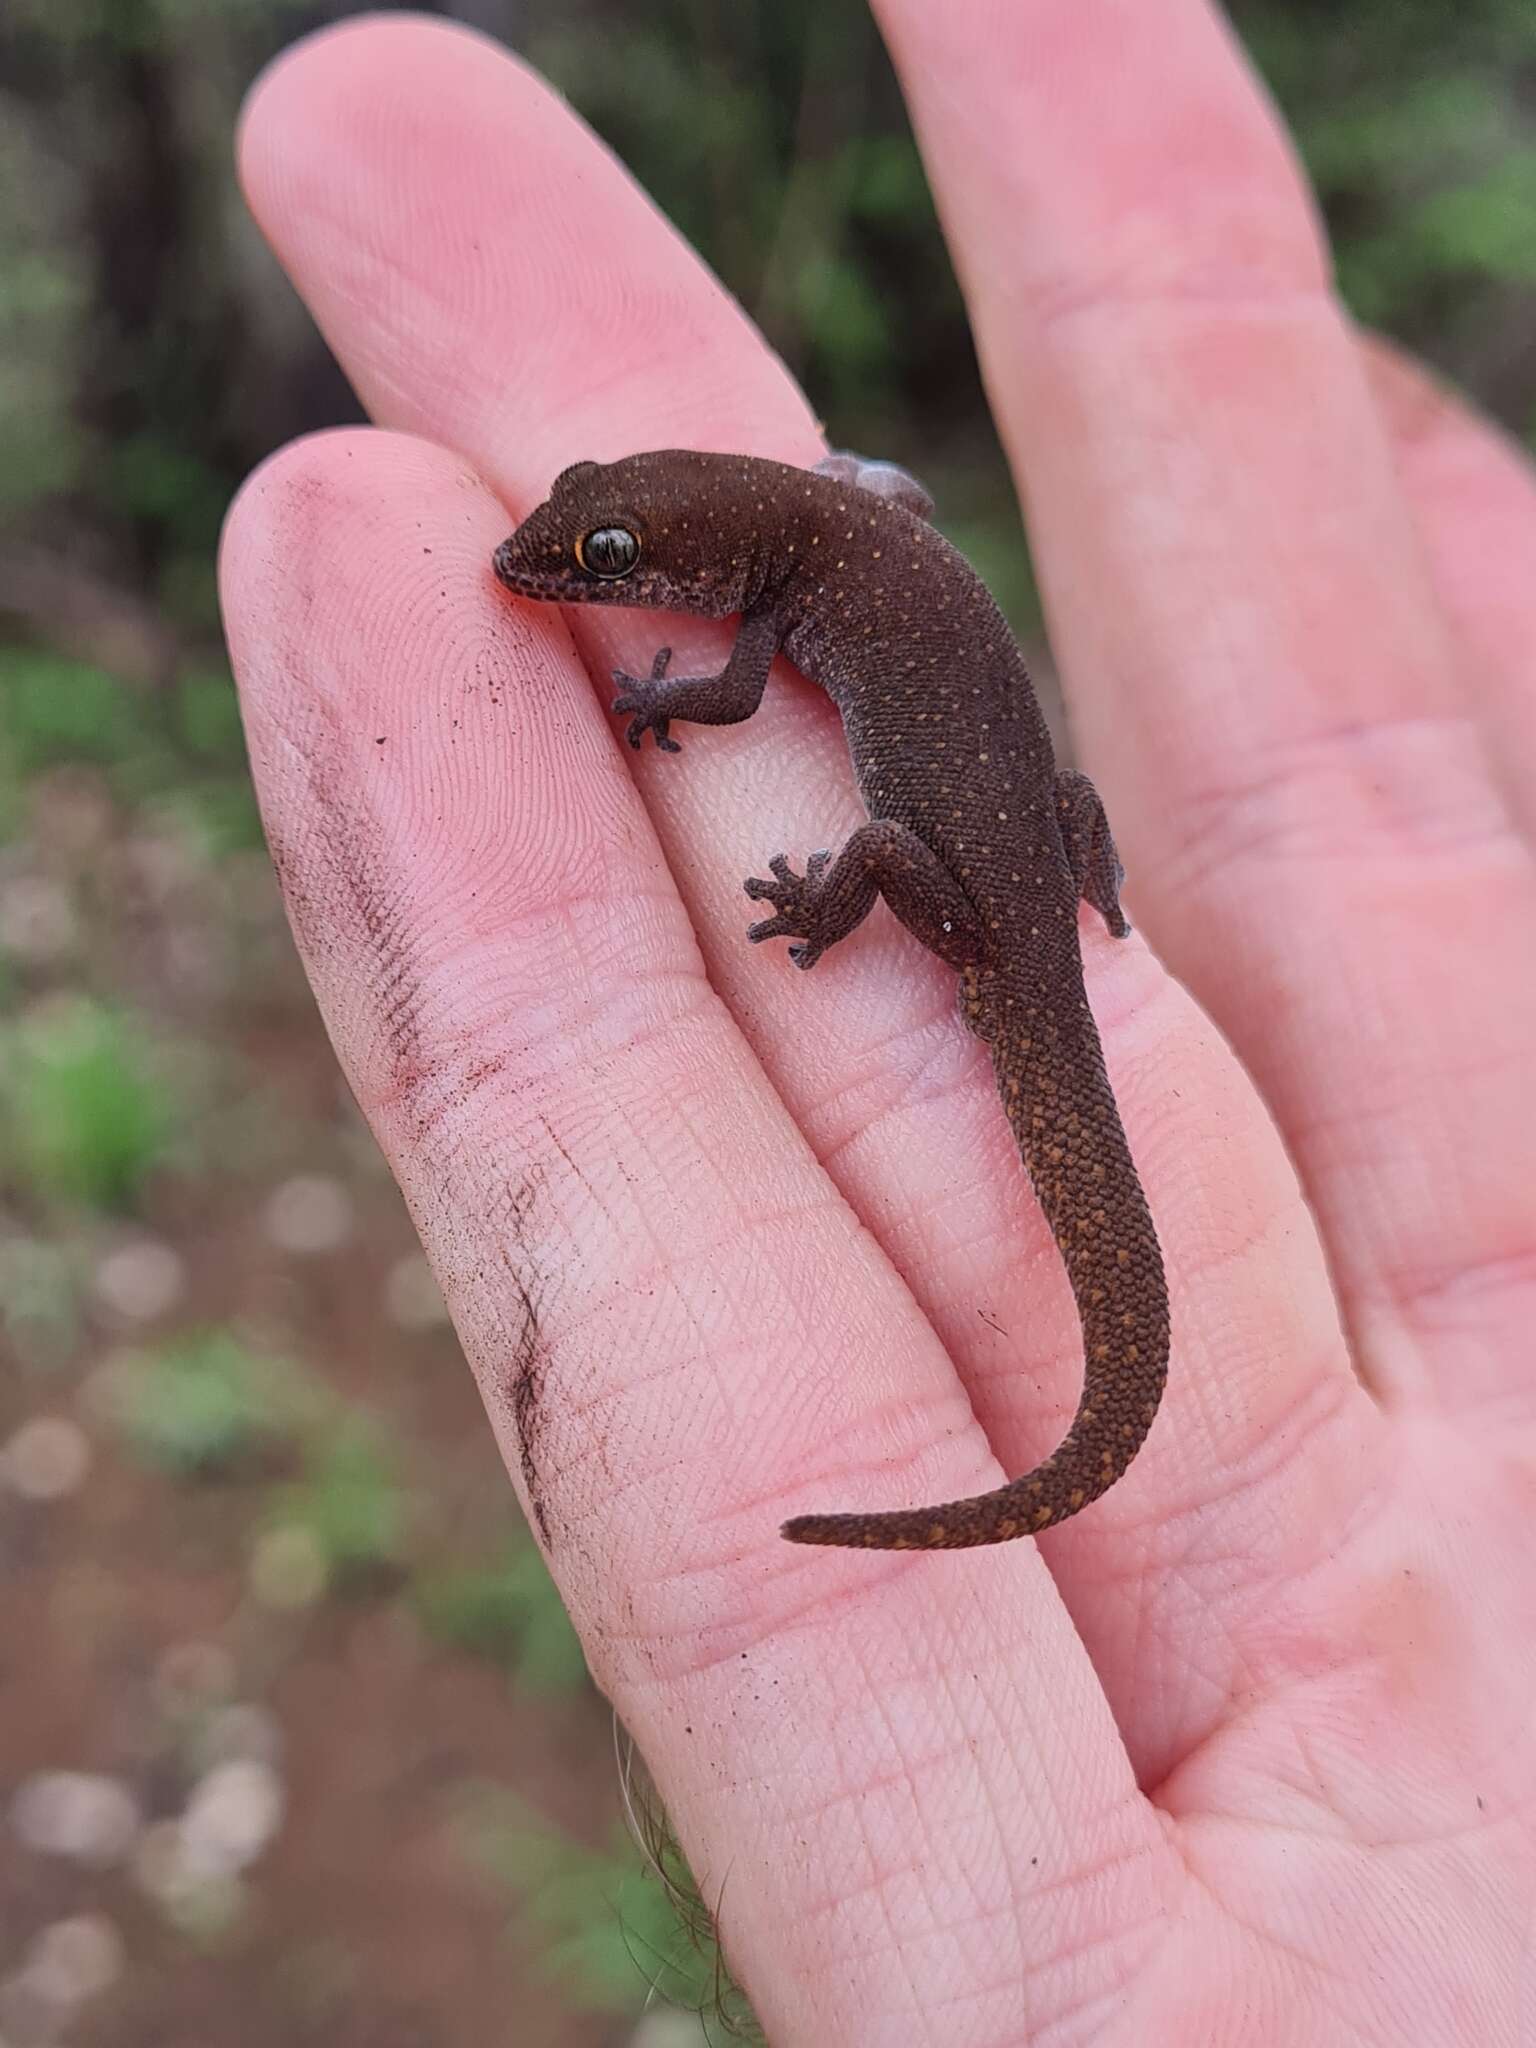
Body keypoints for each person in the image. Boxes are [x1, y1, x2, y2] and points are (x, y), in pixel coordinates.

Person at [219, 7, 1536, 2040]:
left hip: (980, 909)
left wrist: (774, 837)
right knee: (1019, 857)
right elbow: (730, 641)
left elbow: (737, 707)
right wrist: (1077, 887)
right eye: (587, 553)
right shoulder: (820, 543)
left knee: (901, 857)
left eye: (600, 564)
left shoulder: (779, 602)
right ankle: (1026, 907)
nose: (561, 576)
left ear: (703, 555)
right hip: (1044, 874)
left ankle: (870, 906)